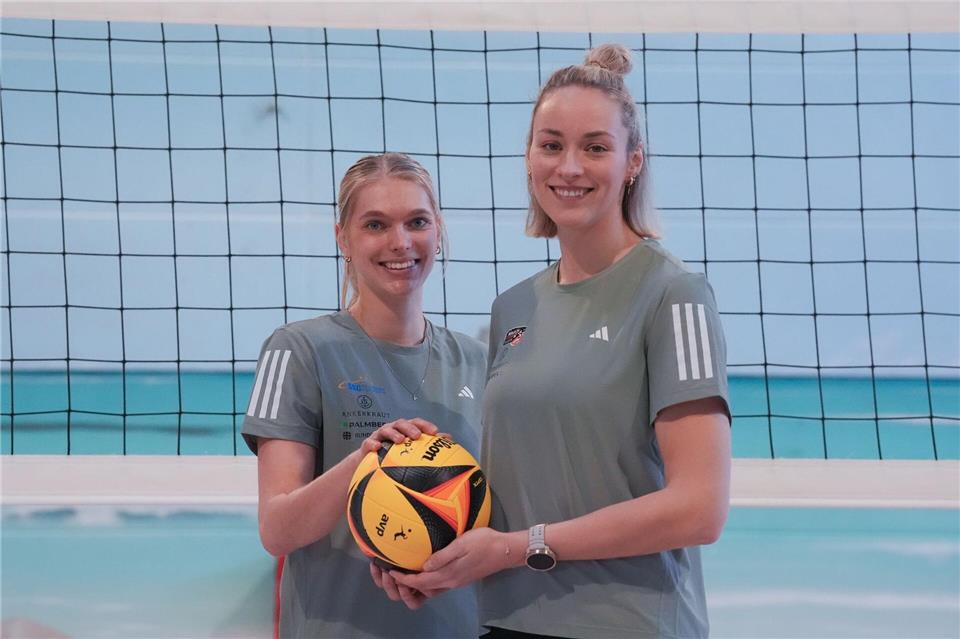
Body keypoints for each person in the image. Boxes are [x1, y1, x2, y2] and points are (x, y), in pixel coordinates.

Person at [390, 44, 732, 639]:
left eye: (594, 147)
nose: (569, 167)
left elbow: (699, 509)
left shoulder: (674, 293)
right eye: (551, 145)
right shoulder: (513, 307)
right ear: (529, 158)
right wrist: (421, 546)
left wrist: (520, 548)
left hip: (628, 625)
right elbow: (519, 490)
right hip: (507, 621)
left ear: (633, 162)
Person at [241, 152, 487, 638]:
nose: (400, 242)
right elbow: (277, 530)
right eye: (376, 224)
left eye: (416, 222)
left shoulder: (480, 362)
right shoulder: (298, 349)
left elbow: (491, 515)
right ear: (343, 239)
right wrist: (367, 463)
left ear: (437, 229)